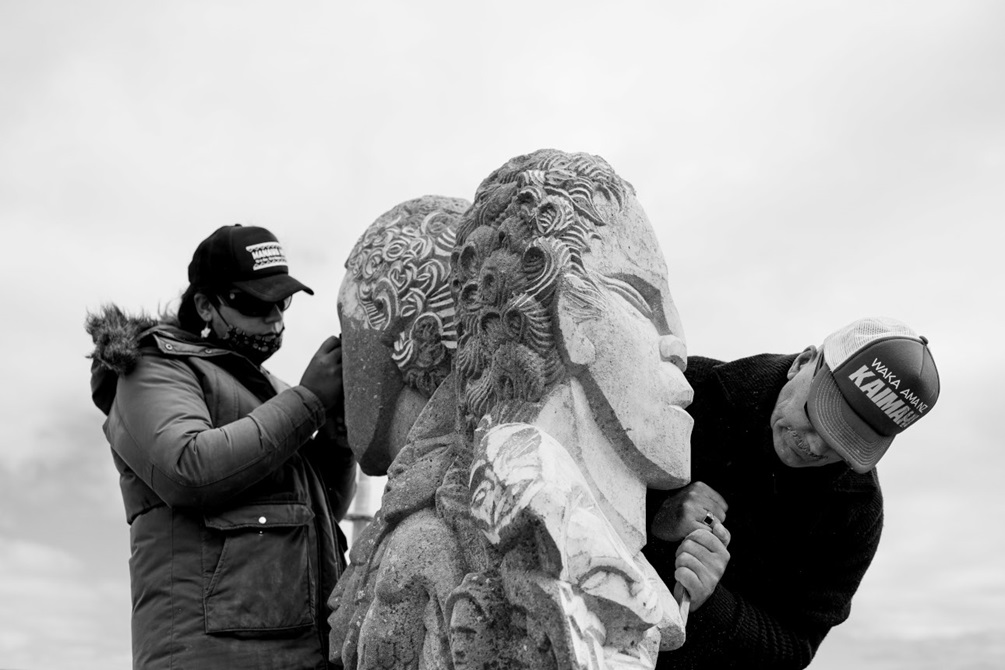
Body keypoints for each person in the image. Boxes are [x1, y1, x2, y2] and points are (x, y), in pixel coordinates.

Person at [86, 224, 357, 669]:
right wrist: (309, 401)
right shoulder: (153, 369)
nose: (275, 319)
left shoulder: (268, 390)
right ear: (206, 306)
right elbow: (186, 468)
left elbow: (318, 508)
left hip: (298, 652)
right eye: (254, 303)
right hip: (213, 655)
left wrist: (336, 442)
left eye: (282, 301)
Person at [644, 316, 941, 669]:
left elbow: (794, 648)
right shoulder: (686, 392)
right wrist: (655, 514)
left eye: (843, 445)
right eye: (817, 416)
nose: (814, 447)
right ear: (802, 363)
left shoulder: (854, 513)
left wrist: (712, 602)